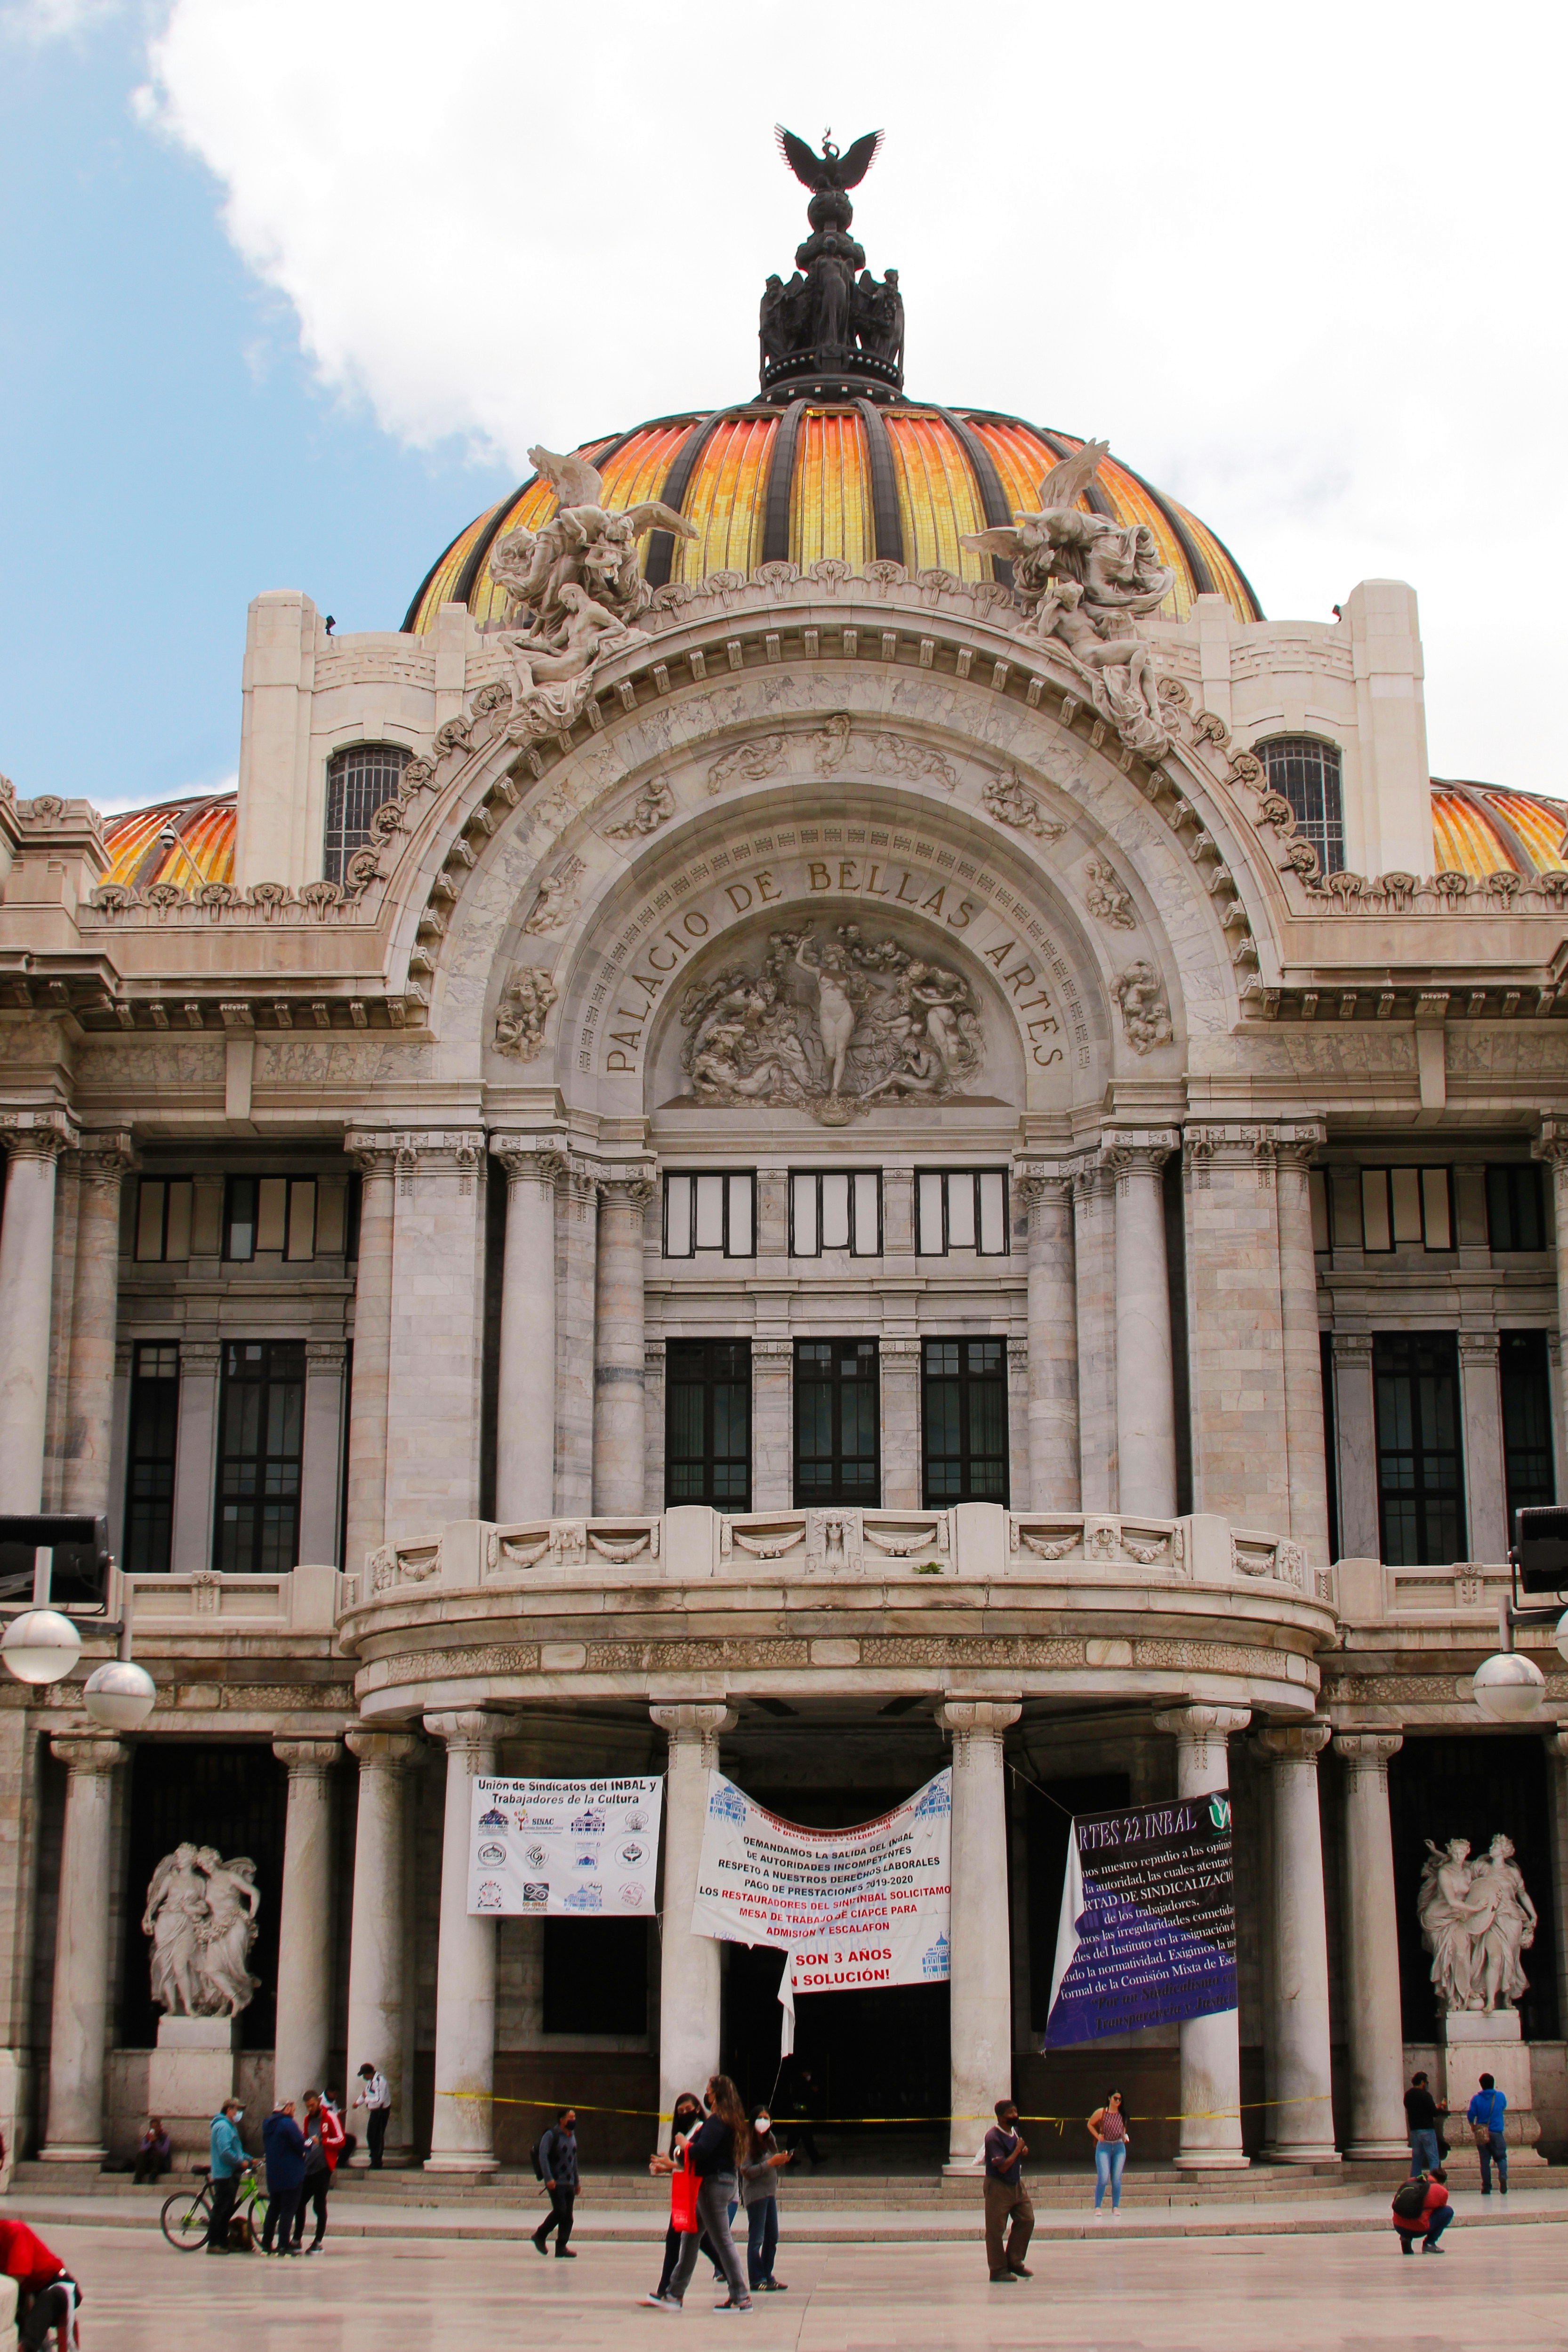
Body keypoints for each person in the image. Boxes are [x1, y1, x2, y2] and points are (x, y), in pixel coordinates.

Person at [652, 2074, 752, 2312]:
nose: (706, 2095)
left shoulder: (717, 2121)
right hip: (721, 2183)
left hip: (713, 2186)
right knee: (690, 2237)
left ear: (717, 2094)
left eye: (709, 2091)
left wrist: (684, 2145)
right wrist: (674, 2162)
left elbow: (702, 2151)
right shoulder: (729, 2121)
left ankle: (741, 2295)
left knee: (722, 2241)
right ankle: (675, 2294)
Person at [644, 2093, 704, 2306]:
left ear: (698, 2108)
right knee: (690, 2240)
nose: (686, 2114)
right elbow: (679, 2164)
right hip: (682, 2191)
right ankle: (665, 2290)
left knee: (682, 2239)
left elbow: (697, 2160)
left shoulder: (700, 2130)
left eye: (689, 2109)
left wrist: (672, 2165)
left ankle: (665, 2290)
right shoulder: (682, 2133)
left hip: (696, 2193)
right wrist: (666, 2167)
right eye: (681, 2112)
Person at [0, 2219, 83, 2351]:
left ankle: (25, 2348)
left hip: (58, 2285)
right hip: (28, 2291)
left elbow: (16, 2279)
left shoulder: (16, 2231)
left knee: (47, 2298)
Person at [740, 2103, 793, 2294]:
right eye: (759, 2118)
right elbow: (746, 2171)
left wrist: (780, 2160)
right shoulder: (747, 2142)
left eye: (766, 2118)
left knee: (773, 2236)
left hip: (770, 2194)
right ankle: (756, 2278)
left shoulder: (771, 2139)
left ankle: (767, 2274)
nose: (763, 2121)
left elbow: (773, 2163)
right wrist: (769, 2163)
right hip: (756, 2195)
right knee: (757, 2238)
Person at [982, 2098, 1034, 2283]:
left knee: (1027, 2219)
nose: (1015, 2116)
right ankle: (998, 2270)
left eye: (1015, 2112)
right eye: (1010, 2113)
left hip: (1016, 2184)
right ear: (1000, 2117)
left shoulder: (1014, 2131)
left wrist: (1023, 2150)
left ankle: (1014, 2260)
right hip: (998, 2185)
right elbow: (1002, 2166)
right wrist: (1018, 2149)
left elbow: (1018, 2148)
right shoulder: (993, 2137)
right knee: (996, 2230)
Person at [291, 2092, 341, 2254]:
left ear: (319, 2102)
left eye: (313, 2105)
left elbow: (341, 2140)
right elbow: (307, 2139)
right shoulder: (307, 2119)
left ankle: (318, 2241)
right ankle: (297, 2239)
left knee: (319, 2205)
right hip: (308, 2167)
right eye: (308, 2107)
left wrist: (324, 2142)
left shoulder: (331, 2117)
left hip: (323, 2168)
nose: (311, 2109)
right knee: (299, 2203)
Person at [260, 2097, 306, 2255]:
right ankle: (283, 2245)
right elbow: (301, 2144)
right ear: (287, 2108)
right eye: (293, 2108)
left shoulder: (268, 2125)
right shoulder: (288, 2124)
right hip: (291, 2174)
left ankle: (266, 2245)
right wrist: (312, 2142)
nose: (294, 2111)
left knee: (274, 2209)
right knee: (288, 2210)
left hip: (274, 2174)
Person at [532, 2108, 579, 2258]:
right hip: (556, 2181)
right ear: (562, 2120)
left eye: (574, 2117)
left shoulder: (572, 2136)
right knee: (560, 2211)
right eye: (570, 2117)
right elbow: (543, 2156)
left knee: (568, 2216)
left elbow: (574, 2160)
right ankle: (540, 2235)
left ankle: (562, 2247)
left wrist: (577, 2181)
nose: (573, 2120)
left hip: (569, 2182)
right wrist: (548, 2178)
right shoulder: (551, 2135)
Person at [206, 2096, 247, 2255]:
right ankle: (214, 2243)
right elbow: (225, 2153)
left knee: (226, 2210)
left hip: (231, 2172)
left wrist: (250, 2159)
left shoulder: (231, 2126)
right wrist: (240, 2162)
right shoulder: (223, 2127)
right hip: (225, 2174)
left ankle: (223, 2242)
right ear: (229, 2110)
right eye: (238, 2110)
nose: (239, 2113)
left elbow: (237, 2150)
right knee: (221, 2210)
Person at [1392, 2165, 1453, 2255]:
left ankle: (1406, 2237)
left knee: (1413, 2209)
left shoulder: (1411, 2181)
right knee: (1447, 2211)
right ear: (1442, 2182)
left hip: (1398, 2225)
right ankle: (1429, 2244)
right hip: (1419, 2229)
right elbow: (1440, 2208)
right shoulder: (1441, 2191)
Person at [1087, 2089, 1129, 2216]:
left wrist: (1124, 2136)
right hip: (1104, 2146)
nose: (1117, 2102)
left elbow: (1123, 2130)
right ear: (1110, 2098)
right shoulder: (1102, 2112)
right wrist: (1097, 2135)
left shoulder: (1122, 2115)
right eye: (1115, 2099)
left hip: (1119, 2146)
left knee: (1116, 2178)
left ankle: (1115, 2206)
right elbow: (1090, 2124)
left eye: (1120, 2100)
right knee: (1104, 2177)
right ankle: (1098, 2206)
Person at [1468, 2072, 1508, 2196]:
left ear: (1481, 2085)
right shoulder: (1500, 2096)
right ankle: (1502, 2175)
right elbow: (1504, 2107)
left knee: (1485, 2161)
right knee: (1501, 2157)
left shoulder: (1476, 2099)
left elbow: (1471, 2115)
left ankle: (1486, 2187)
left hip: (1482, 2133)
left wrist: (1473, 2127)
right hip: (1496, 2132)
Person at [1403, 2070, 1445, 2176]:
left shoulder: (1408, 2095)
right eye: (1427, 2082)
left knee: (1417, 2159)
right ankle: (1434, 2181)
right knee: (1433, 2158)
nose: (1427, 2085)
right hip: (1427, 2130)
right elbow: (1434, 2113)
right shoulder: (1426, 2095)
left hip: (1414, 2131)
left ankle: (1414, 2180)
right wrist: (1441, 2108)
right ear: (1422, 2082)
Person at [352, 2062, 391, 2169]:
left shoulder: (380, 2081)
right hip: (374, 2111)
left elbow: (380, 2100)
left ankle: (377, 2161)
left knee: (377, 2136)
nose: (364, 2077)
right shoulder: (371, 2082)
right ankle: (374, 2157)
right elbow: (366, 2093)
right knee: (371, 2135)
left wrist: (366, 2100)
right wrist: (358, 2103)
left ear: (369, 2073)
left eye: (364, 2075)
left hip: (381, 2111)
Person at [132, 2117, 170, 2184]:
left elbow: (164, 2152)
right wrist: (150, 2142)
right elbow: (143, 2149)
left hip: (160, 2165)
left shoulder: (165, 2138)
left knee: (158, 2155)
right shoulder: (146, 2138)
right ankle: (138, 2176)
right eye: (153, 2127)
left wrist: (156, 2142)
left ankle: (153, 2177)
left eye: (156, 2127)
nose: (155, 2129)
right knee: (141, 2154)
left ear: (160, 2127)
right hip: (148, 2163)